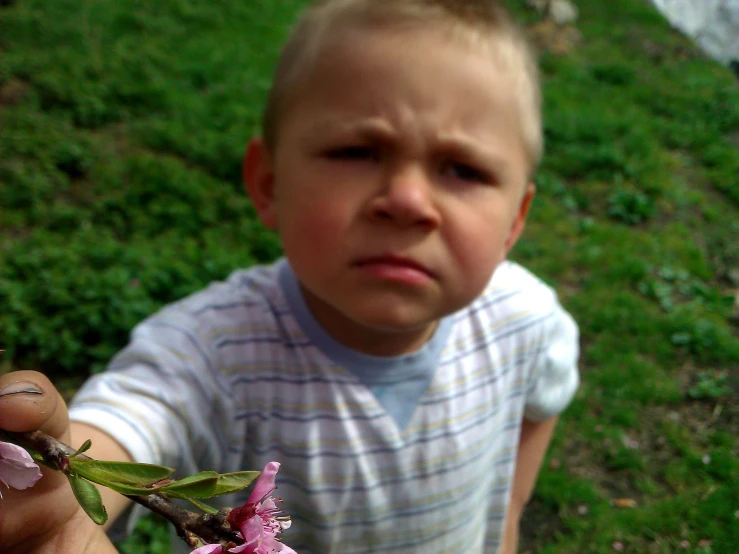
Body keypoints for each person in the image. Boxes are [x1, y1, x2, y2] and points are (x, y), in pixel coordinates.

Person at [0, 0, 580, 552]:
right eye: (357, 150)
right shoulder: (213, 349)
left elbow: (544, 394)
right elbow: (134, 413)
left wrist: (508, 518)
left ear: (514, 222)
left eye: (462, 168)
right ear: (269, 184)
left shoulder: (526, 319)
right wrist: (54, 498)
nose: (406, 200)